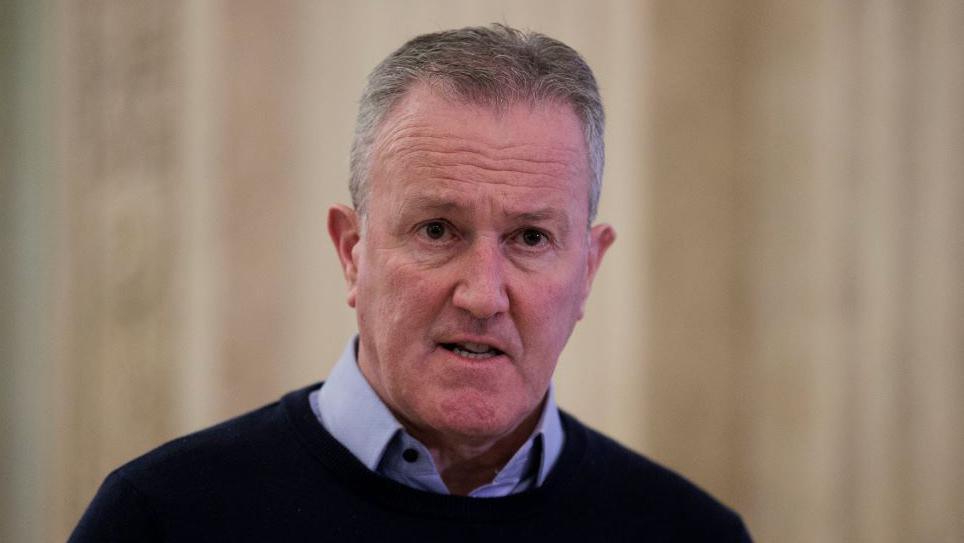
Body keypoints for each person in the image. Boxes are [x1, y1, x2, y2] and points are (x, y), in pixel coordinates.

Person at [71, 24, 751, 541]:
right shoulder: (160, 518)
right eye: (436, 230)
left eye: (531, 238)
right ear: (351, 251)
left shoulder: (689, 532)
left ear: (588, 271)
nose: (482, 295)